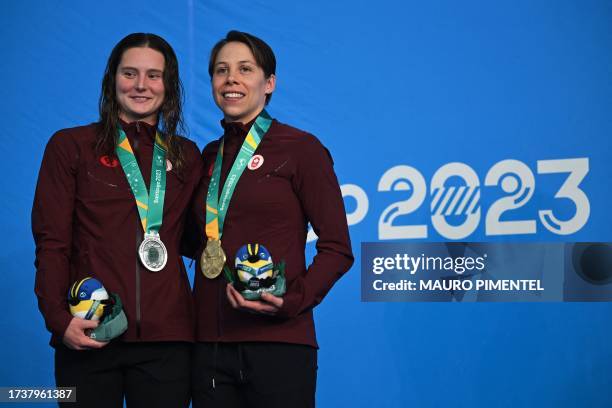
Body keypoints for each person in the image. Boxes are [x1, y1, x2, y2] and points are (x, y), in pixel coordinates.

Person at [32, 33, 202, 407]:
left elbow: (201, 238)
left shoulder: (187, 157)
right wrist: (59, 322)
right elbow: (52, 242)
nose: (141, 85)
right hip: (89, 331)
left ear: (169, 86)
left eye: (154, 75)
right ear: (112, 80)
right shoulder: (70, 146)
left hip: (168, 341)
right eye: (130, 73)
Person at [191, 30, 354, 408]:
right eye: (221, 70)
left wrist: (292, 300)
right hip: (210, 346)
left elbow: (337, 249)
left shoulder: (301, 148)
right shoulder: (206, 158)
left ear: (269, 84)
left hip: (281, 342)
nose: (231, 78)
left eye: (245, 69)